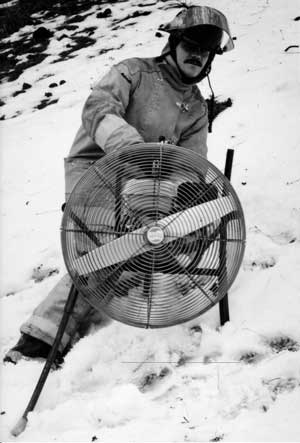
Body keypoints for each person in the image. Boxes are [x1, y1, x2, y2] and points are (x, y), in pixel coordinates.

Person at [4, 5, 234, 364]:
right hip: (94, 171)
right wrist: (132, 150)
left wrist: (191, 189)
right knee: (98, 253)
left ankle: (97, 308)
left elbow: (189, 163)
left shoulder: (196, 110)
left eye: (206, 52)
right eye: (191, 45)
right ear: (172, 45)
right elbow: (97, 108)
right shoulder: (133, 72)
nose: (197, 55)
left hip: (141, 183)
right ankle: (40, 339)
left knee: (146, 243)